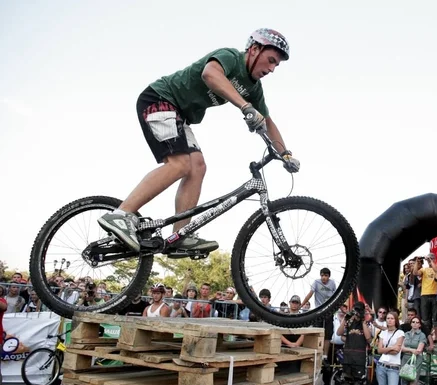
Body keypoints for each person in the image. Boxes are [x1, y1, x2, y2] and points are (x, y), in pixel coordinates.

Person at [96, 29, 299, 255]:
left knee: (198, 167)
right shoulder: (230, 57)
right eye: (270, 61)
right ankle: (121, 214)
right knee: (179, 164)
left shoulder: (253, 88)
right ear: (254, 49)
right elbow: (210, 74)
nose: (271, 69)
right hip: (160, 99)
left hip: (178, 116)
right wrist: (245, 107)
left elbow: (268, 122)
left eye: (276, 66)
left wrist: (286, 154)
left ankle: (179, 236)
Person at [302, 268, 337, 357]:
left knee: (328, 333)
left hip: (329, 311)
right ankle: (316, 352)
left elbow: (335, 296)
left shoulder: (332, 283)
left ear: (329, 276)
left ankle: (325, 355)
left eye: (326, 276)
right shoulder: (316, 282)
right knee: (318, 331)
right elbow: (310, 294)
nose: (323, 278)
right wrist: (302, 304)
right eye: (322, 275)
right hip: (319, 310)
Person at [376, 311, 405, 385]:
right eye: (388, 318)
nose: (389, 320)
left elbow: (396, 351)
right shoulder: (383, 333)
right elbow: (379, 350)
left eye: (392, 318)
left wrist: (385, 349)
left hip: (393, 367)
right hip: (381, 365)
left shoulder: (400, 333)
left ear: (395, 320)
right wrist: (391, 348)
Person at [400, 317, 427, 385]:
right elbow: (401, 348)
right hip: (405, 359)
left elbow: (419, 350)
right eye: (413, 322)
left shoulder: (422, 335)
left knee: (413, 384)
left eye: (417, 322)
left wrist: (407, 350)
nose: (415, 323)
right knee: (408, 384)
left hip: (416, 360)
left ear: (419, 325)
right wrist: (411, 350)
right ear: (411, 323)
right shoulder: (406, 334)